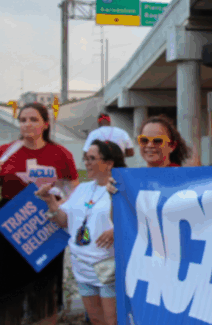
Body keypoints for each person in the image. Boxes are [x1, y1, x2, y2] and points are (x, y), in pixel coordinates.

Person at [0, 103, 79, 325]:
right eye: (23, 119)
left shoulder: (60, 153)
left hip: (47, 224)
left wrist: (57, 201)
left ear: (45, 124)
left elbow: (73, 188)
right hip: (13, 225)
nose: (27, 124)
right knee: (9, 287)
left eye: (33, 119)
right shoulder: (5, 152)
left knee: (45, 288)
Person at [35, 140, 125, 325]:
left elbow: (136, 221)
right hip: (82, 266)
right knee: (95, 320)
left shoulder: (120, 188)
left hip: (108, 267)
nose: (86, 163)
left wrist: (117, 230)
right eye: (85, 158)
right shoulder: (83, 189)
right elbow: (64, 221)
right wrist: (50, 202)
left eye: (92, 158)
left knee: (113, 321)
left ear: (109, 163)